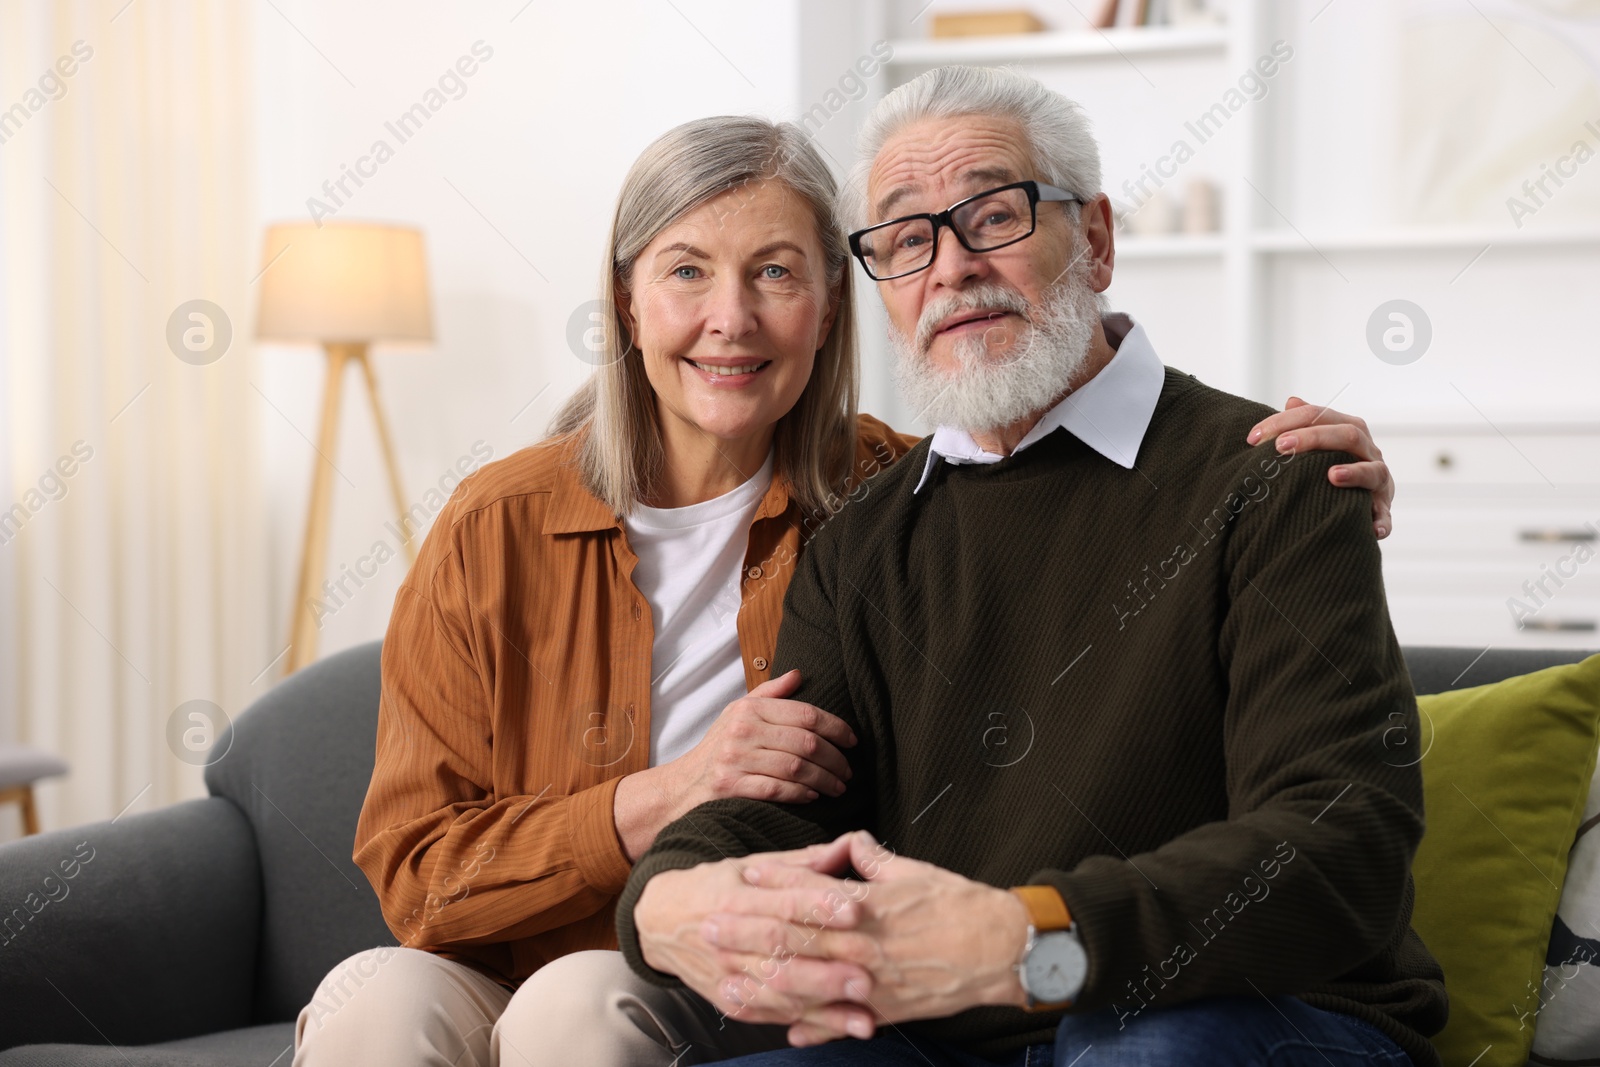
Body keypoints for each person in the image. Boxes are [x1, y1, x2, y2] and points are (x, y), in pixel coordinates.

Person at [292, 110, 1400, 1067]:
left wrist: (1298, 479)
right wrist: (658, 817)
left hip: (716, 979)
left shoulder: (881, 495)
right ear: (626, 300)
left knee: (575, 1005)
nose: (730, 318)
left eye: (774, 271)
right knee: (383, 998)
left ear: (830, 302)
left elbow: (1060, 444)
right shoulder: (499, 520)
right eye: (685, 270)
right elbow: (418, 875)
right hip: (544, 945)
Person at [612, 67, 1448, 1067]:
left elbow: (1340, 843)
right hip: (955, 1036)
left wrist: (1028, 940)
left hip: (1255, 1012)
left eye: (993, 214)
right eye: (906, 238)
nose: (951, 267)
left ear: (1093, 240)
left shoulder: (1277, 479)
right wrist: (659, 899)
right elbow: (774, 806)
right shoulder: (862, 541)